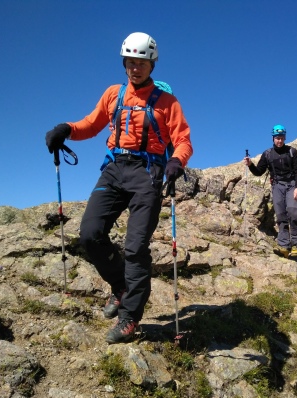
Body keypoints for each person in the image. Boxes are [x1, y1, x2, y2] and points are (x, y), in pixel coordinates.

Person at [45, 32, 193, 344]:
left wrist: (176, 161)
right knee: (90, 234)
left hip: (148, 172)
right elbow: (91, 124)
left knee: (136, 247)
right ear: (124, 63)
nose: (135, 68)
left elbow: (183, 140)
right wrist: (66, 129)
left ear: (152, 65)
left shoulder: (167, 102)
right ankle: (120, 284)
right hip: (114, 169)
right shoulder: (114, 94)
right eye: (130, 62)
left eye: (141, 63)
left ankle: (129, 318)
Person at [244, 125, 297, 259]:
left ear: (285, 138)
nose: (279, 140)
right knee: (281, 215)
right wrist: (251, 165)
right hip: (277, 186)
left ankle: (296, 244)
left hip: (291, 185)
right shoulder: (267, 154)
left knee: (293, 212)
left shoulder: (292, 152)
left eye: (282, 138)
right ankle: (284, 246)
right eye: (277, 138)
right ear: (273, 138)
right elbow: (259, 172)